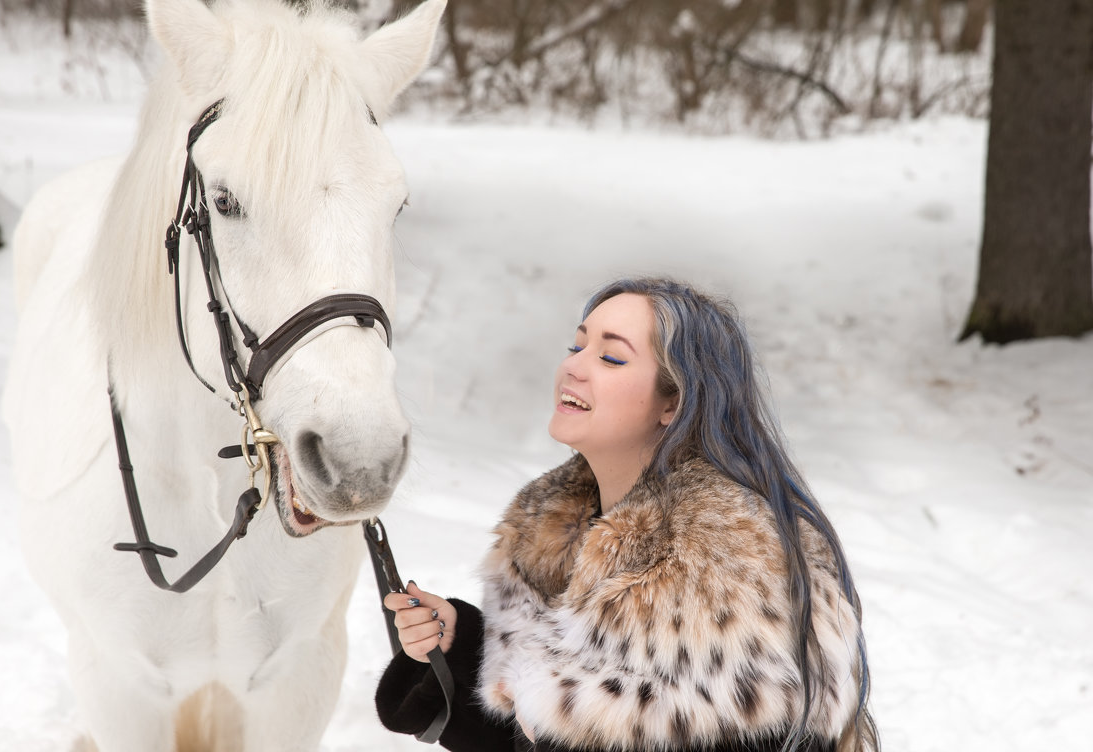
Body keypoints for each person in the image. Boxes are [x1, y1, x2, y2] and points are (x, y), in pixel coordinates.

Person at [375, 277, 878, 752]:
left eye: (612, 358)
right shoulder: (546, 530)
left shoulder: (728, 560)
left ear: (673, 403)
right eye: (577, 347)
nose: (575, 366)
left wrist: (552, 725)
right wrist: (460, 645)